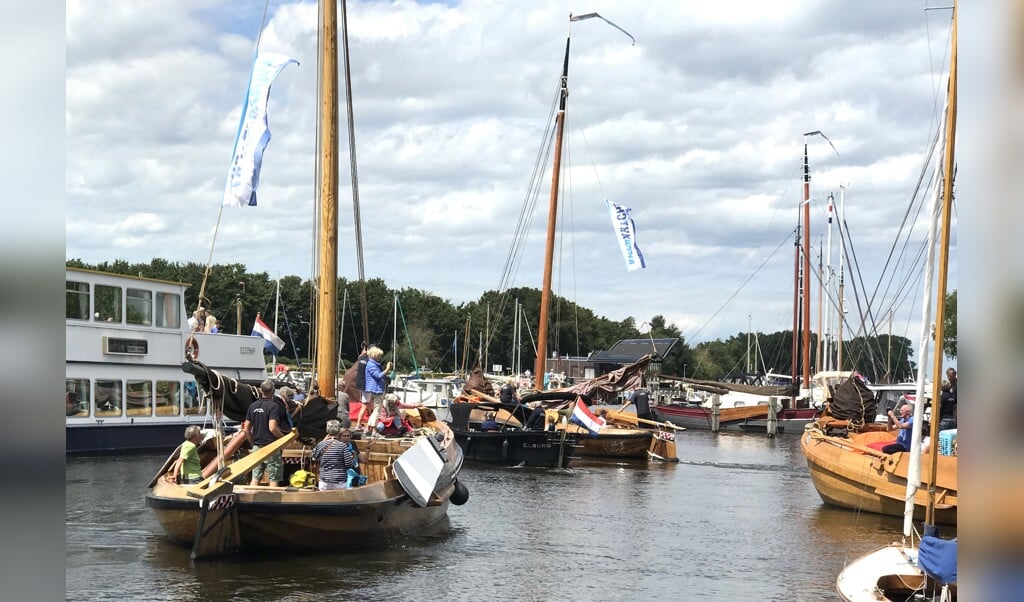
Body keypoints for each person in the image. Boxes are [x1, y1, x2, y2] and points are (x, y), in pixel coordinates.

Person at [243, 379, 286, 486]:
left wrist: (252, 443)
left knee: (255, 476)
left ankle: (251, 499)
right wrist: (283, 438)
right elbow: (272, 428)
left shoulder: (252, 406)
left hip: (257, 446)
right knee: (273, 476)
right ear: (272, 391)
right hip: (271, 446)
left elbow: (246, 429)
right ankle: (273, 501)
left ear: (261, 391)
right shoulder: (273, 406)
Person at [311, 421, 358, 490]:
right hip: (339, 481)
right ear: (339, 431)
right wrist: (351, 458)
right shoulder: (342, 446)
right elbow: (349, 465)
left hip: (324, 480)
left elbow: (314, 457)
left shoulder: (320, 445)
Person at [363, 346, 392, 430]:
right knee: (377, 410)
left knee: (375, 410)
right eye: (379, 355)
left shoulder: (372, 364)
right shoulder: (372, 365)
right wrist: (387, 369)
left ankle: (368, 428)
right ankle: (374, 430)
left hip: (375, 389)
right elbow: (378, 376)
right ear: (375, 355)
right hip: (376, 390)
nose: (380, 357)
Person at [352, 343, 371, 429]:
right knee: (365, 404)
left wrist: (364, 347)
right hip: (366, 385)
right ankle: (358, 424)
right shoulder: (370, 361)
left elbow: (363, 353)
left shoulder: (360, 358)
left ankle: (369, 421)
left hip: (360, 383)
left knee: (368, 403)